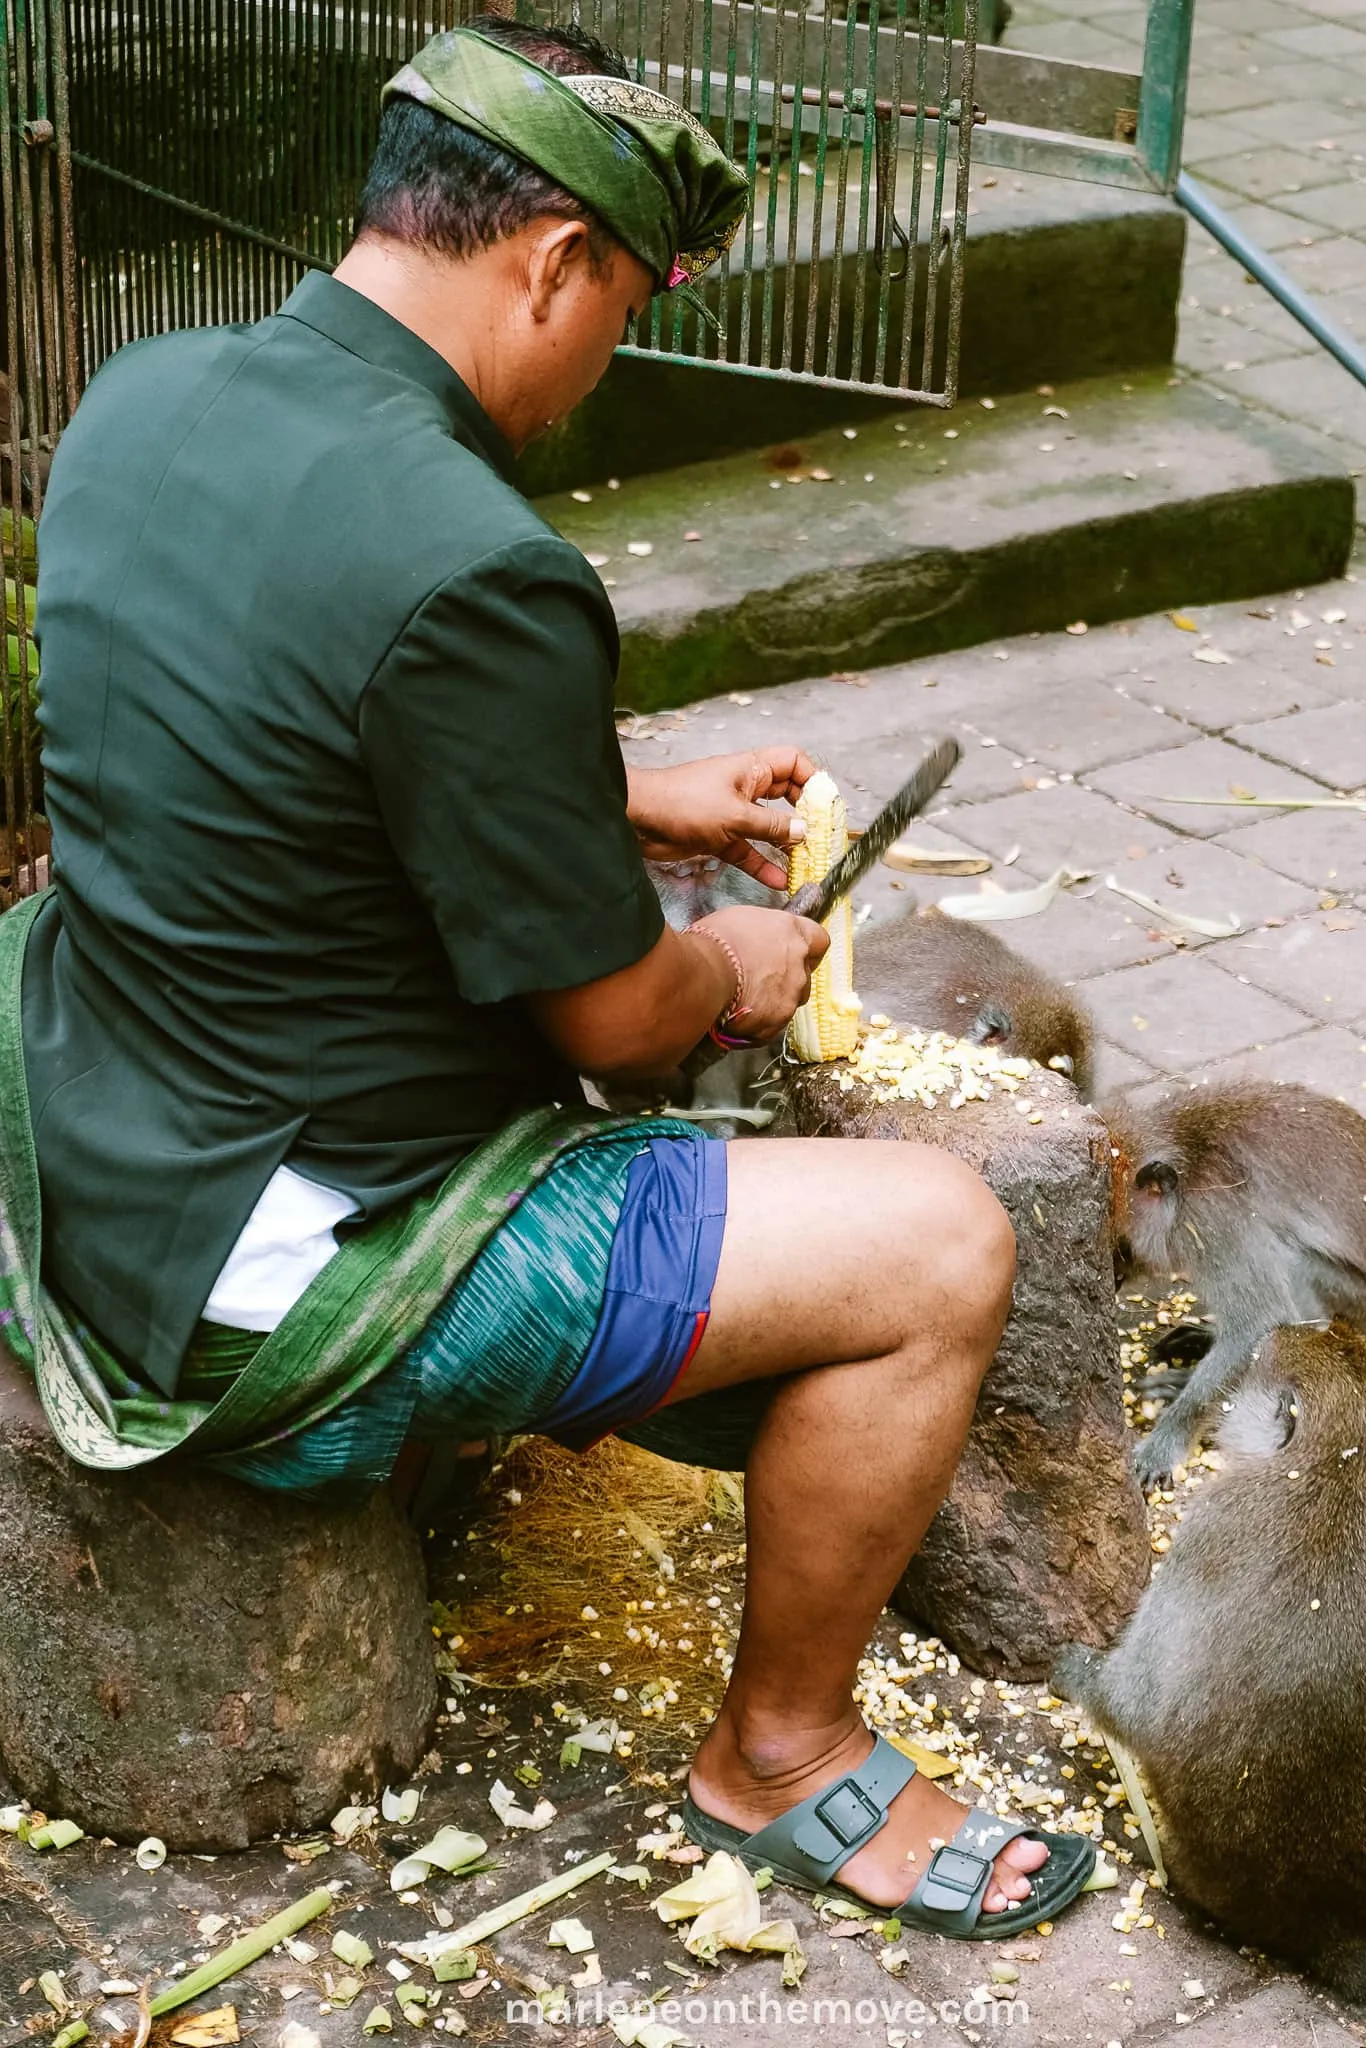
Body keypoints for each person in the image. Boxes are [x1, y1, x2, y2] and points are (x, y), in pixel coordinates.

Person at [4, 15, 1094, 1936]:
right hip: (288, 1271)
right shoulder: (480, 561)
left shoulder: (149, 397)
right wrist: (735, 964)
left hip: (95, 1135)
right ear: (554, 264)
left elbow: (295, 725)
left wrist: (628, 787)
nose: (606, 364)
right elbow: (612, 1016)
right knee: (939, 1244)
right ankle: (785, 1755)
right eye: (630, 305)